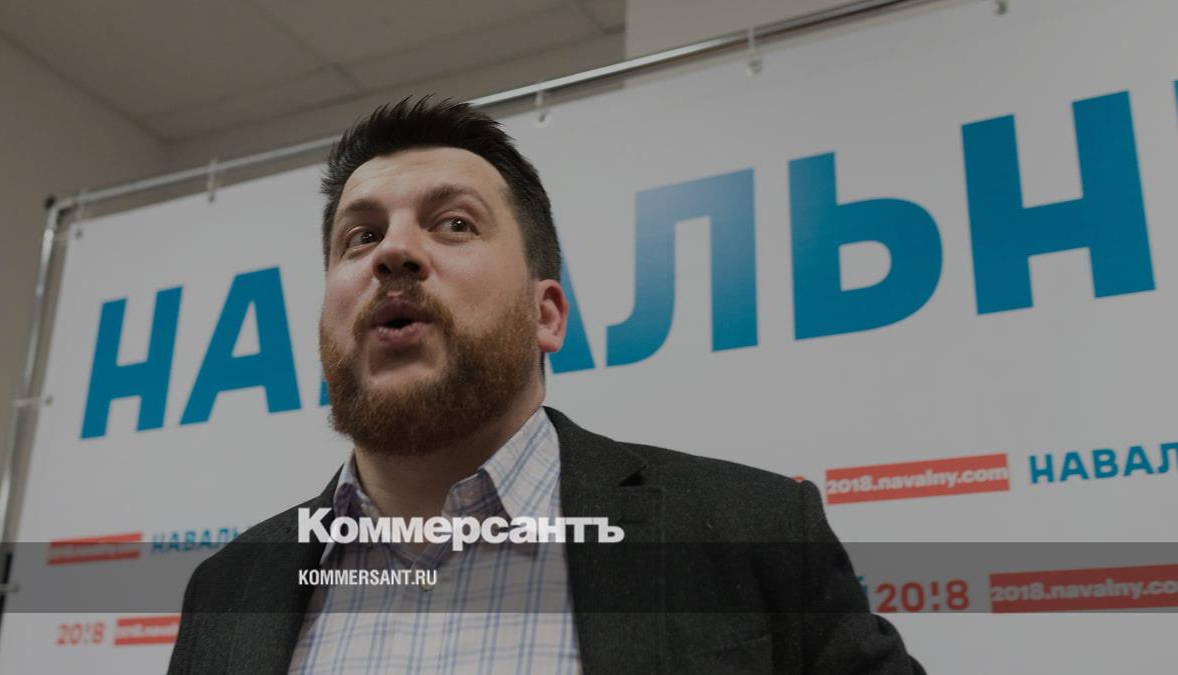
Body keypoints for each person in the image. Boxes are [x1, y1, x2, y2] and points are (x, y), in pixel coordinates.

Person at [169, 97, 924, 674]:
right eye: (360, 236)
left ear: (546, 314)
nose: (394, 251)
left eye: (454, 224)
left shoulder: (756, 532)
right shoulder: (228, 589)